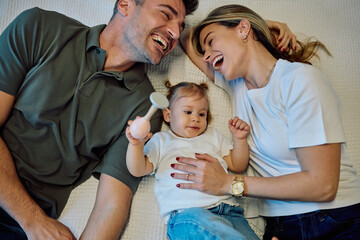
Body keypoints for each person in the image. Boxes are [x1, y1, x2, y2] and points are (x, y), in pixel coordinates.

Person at [0, 0, 295, 238]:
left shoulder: (147, 109)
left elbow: (111, 206)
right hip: (27, 219)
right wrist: (33, 221)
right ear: (126, 4)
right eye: (166, 14)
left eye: (180, 26)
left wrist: (254, 33)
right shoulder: (39, 28)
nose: (175, 33)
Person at [173, 4, 360, 240]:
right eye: (205, 50)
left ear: (242, 29)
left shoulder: (299, 79)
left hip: (336, 219)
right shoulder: (235, 86)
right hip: (282, 227)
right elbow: (186, 37)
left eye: (211, 41)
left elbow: (323, 185)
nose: (207, 55)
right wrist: (264, 24)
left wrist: (228, 183)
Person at [126, 81, 258, 240]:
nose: (195, 118)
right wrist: (136, 145)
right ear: (168, 115)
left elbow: (238, 165)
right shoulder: (161, 140)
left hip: (229, 212)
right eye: (188, 112)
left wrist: (239, 139)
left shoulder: (213, 136)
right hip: (186, 214)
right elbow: (138, 169)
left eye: (201, 114)